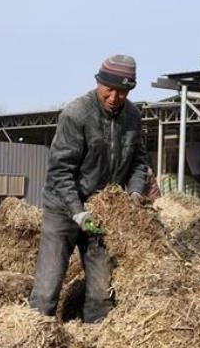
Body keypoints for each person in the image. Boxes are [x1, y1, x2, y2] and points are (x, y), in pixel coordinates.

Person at [29, 55, 149, 323]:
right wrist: (77, 212)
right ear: (99, 83)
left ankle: (94, 344)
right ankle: (35, 335)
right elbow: (60, 170)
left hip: (102, 213)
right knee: (47, 288)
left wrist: (134, 196)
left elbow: (140, 163)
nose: (114, 97)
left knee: (102, 292)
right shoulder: (77, 114)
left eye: (122, 91)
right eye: (109, 89)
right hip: (63, 208)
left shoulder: (133, 118)